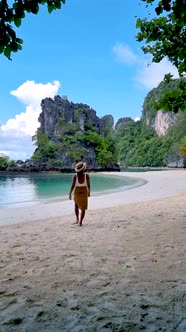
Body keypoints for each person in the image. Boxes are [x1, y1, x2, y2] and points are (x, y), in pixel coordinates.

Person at [69, 161, 90, 226]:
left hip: (77, 191)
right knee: (83, 208)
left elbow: (73, 185)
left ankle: (77, 220)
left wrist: (70, 193)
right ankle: (80, 222)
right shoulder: (86, 175)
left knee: (76, 205)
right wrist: (89, 192)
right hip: (84, 191)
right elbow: (89, 185)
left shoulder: (75, 176)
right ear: (83, 168)